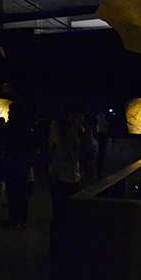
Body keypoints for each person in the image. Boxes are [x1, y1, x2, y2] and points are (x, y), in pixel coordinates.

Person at [48, 109, 84, 257]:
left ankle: (67, 245)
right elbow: (64, 150)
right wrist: (74, 131)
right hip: (60, 176)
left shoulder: (76, 130)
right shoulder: (59, 128)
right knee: (60, 214)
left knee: (69, 214)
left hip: (72, 176)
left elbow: (86, 150)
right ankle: (58, 247)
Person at [1, 102, 36, 228]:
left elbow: (7, 143)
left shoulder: (12, 125)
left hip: (13, 161)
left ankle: (14, 219)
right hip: (24, 162)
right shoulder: (27, 126)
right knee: (22, 191)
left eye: (10, 111)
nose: (9, 113)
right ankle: (23, 219)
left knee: (13, 191)